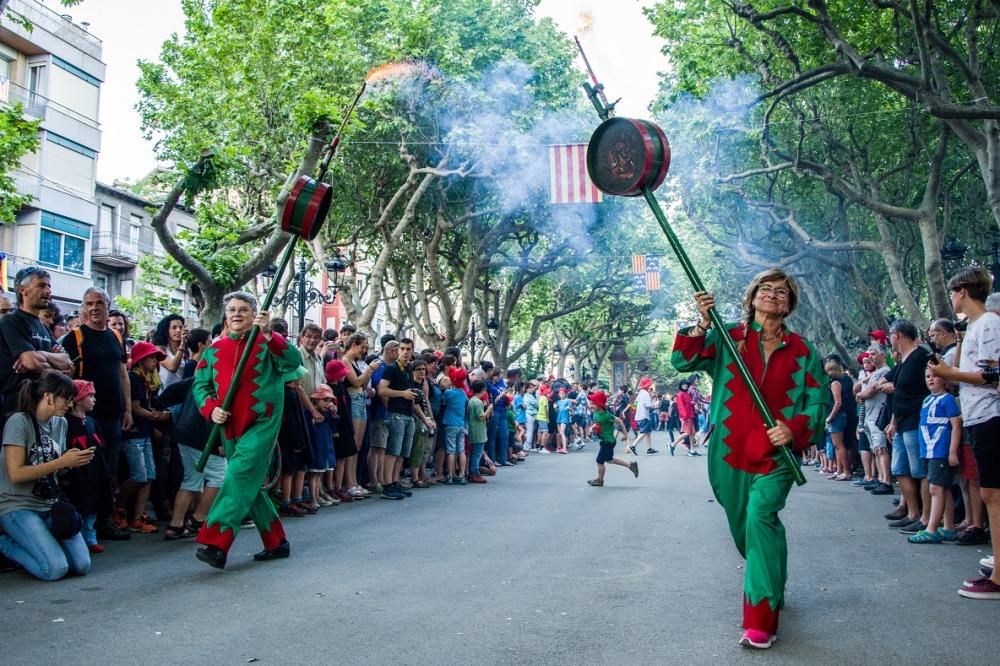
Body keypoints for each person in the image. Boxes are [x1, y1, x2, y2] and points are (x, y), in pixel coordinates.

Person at [672, 268, 827, 649]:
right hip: (728, 453)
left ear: (790, 304)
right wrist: (703, 323)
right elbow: (682, 361)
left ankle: (760, 619)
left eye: (782, 292)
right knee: (745, 528)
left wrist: (793, 429)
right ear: (753, 296)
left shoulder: (804, 351)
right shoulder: (728, 337)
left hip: (776, 457)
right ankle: (772, 578)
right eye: (766, 289)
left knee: (761, 517)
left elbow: (819, 400)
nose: (773, 295)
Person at [192, 292, 303, 569]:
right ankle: (276, 542)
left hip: (262, 424)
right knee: (248, 483)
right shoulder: (214, 350)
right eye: (232, 310)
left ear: (254, 315)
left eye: (243, 309)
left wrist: (269, 335)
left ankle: (217, 542)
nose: (237, 314)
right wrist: (211, 409)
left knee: (239, 473)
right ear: (226, 315)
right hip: (230, 427)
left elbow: (292, 362)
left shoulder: (268, 344)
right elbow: (201, 385)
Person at [930, 268, 1000, 598]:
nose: (952, 298)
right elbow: (960, 373)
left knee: (992, 494)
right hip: (977, 417)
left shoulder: (989, 323)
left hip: (990, 416)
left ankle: (999, 576)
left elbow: (992, 375)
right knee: (989, 493)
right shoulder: (972, 326)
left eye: (953, 292)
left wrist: (950, 371)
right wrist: (954, 357)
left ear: (963, 292)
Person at [0, 371, 94, 580]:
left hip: (50, 503)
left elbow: (51, 466)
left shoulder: (60, 423)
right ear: (48, 396)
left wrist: (71, 462)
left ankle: (42, 542)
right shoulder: (19, 421)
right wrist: (61, 462)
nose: (70, 405)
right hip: (18, 504)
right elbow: (15, 474)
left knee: (81, 565)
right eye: (67, 399)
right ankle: (5, 544)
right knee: (54, 569)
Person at [58, 287, 132, 496]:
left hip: (113, 414)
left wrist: (127, 410)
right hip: (86, 415)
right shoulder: (75, 337)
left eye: (99, 303)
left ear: (108, 307)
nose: (94, 308)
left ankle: (106, 519)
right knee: (88, 470)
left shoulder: (117, 336)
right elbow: (67, 375)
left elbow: (122, 374)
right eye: (89, 304)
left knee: (110, 469)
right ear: (83, 308)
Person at [0, 268, 73, 420]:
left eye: (49, 286)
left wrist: (41, 355)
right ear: (23, 290)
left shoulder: (44, 328)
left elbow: (67, 364)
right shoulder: (12, 321)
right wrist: (52, 363)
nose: (47, 291)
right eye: (41, 285)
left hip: (43, 407)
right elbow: (32, 362)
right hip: (18, 407)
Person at [883, 319, 933, 535]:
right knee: (900, 469)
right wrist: (892, 422)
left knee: (919, 471)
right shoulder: (903, 361)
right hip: (901, 421)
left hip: (916, 420)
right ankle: (912, 513)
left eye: (890, 337)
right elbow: (899, 393)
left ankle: (926, 517)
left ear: (897, 335)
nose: (889, 342)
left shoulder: (921, 356)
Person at [119, 342, 170, 534]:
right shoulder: (134, 377)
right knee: (139, 475)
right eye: (152, 357)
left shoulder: (149, 380)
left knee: (149, 475)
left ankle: (137, 518)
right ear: (141, 359)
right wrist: (155, 416)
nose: (156, 360)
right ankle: (120, 508)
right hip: (134, 433)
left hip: (145, 432)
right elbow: (135, 406)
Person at [908, 367, 961, 543]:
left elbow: (956, 426)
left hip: (940, 449)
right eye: (928, 376)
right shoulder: (927, 400)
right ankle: (948, 526)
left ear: (944, 379)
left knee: (935, 489)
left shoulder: (948, 399)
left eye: (935, 376)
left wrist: (952, 451)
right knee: (942, 488)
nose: (930, 379)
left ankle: (931, 529)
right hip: (928, 449)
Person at [63, 380, 115, 554]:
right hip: (77, 474)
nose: (94, 399)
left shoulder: (92, 422)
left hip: (94, 471)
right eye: (90, 396)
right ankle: (77, 538)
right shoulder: (66, 423)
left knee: (93, 504)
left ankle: (90, 537)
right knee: (80, 503)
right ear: (77, 399)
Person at [586, 391, 638, 486]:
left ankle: (600, 480)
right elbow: (598, 423)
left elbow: (620, 421)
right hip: (604, 440)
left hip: (608, 441)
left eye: (593, 403)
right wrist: (592, 427)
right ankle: (630, 465)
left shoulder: (606, 415)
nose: (591, 405)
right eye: (591, 403)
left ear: (599, 404)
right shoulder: (596, 413)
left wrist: (625, 435)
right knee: (610, 460)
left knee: (599, 461)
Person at [440, 375, 468, 485]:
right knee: (461, 450)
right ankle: (461, 474)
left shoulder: (448, 393)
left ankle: (450, 475)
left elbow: (443, 401)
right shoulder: (463, 394)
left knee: (450, 450)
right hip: (461, 424)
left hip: (451, 424)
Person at [152, 314, 187, 389]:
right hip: (164, 394)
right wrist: (182, 345)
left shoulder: (187, 350)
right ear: (166, 331)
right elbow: (172, 367)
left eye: (181, 327)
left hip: (181, 393)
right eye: (174, 328)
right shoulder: (159, 349)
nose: (178, 330)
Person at [466, 380, 489, 483]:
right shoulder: (478, 402)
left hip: (472, 429)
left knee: (474, 453)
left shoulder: (472, 400)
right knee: (477, 454)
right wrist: (489, 410)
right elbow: (481, 417)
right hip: (478, 431)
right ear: (483, 390)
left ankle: (472, 472)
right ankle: (474, 473)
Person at [670, 380, 698, 456]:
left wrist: (692, 404)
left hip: (690, 415)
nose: (685, 385)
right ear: (681, 386)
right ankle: (673, 444)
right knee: (688, 432)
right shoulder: (680, 394)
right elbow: (680, 406)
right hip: (686, 416)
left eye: (686, 384)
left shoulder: (686, 394)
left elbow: (687, 404)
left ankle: (692, 450)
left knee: (692, 433)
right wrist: (684, 416)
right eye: (683, 384)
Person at [633, 376, 657, 455]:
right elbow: (647, 405)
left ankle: (649, 449)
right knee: (644, 432)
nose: (650, 385)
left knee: (648, 432)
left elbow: (635, 404)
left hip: (639, 415)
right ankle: (633, 446)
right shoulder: (646, 393)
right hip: (644, 416)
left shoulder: (640, 393)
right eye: (649, 384)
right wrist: (654, 406)